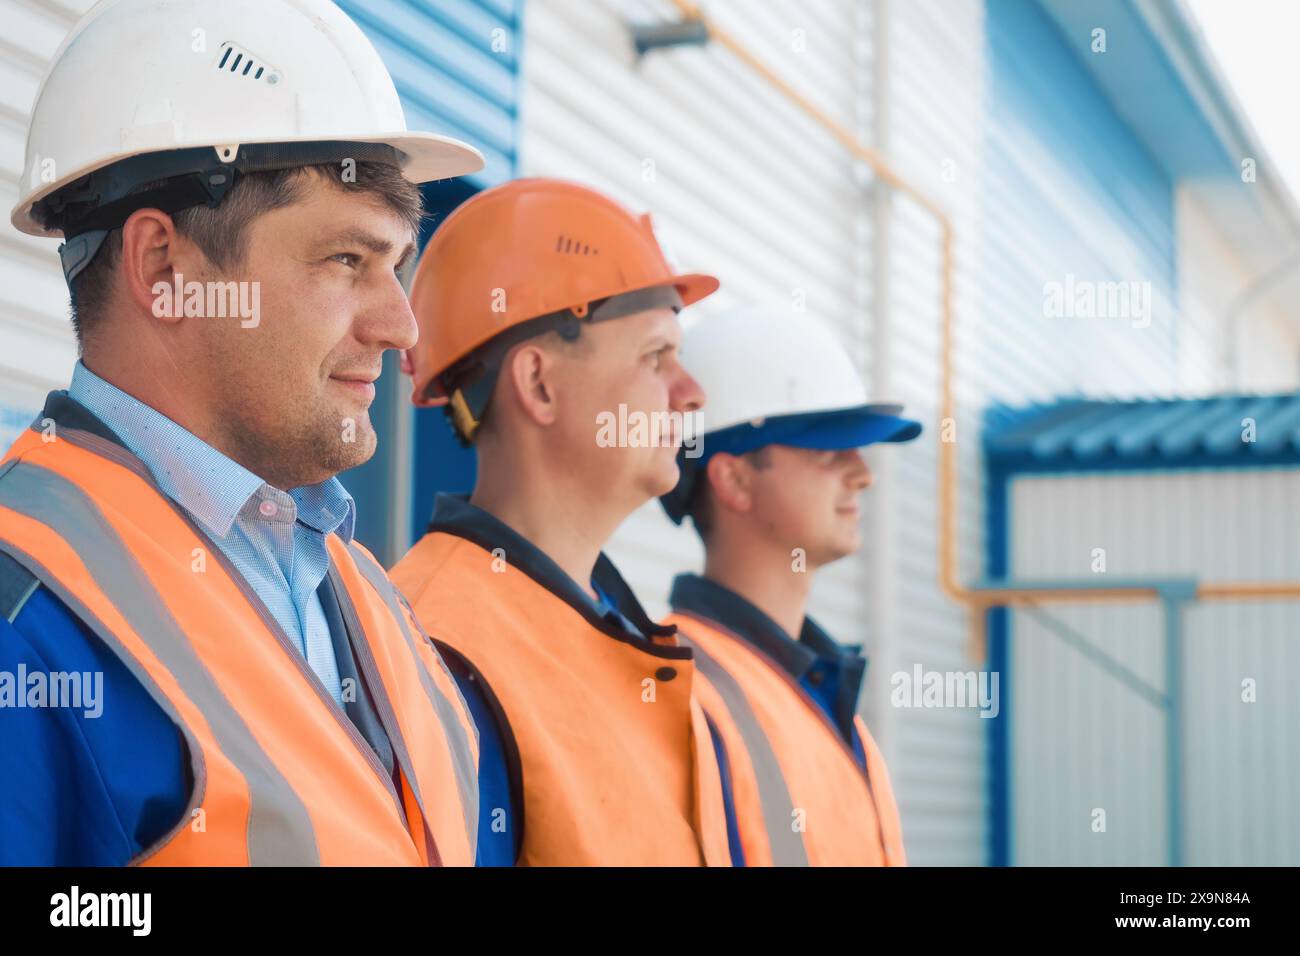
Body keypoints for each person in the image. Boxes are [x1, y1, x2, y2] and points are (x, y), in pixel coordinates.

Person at [0, 0, 484, 866]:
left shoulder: (367, 599)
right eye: (347, 261)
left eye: (397, 265)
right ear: (165, 267)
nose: (402, 326)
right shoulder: (22, 614)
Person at [392, 178, 737, 865]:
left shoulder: (611, 630)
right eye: (655, 356)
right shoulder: (437, 645)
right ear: (539, 384)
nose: (692, 393)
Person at [659, 304, 919, 865]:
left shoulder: (822, 693)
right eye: (829, 447)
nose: (863, 472)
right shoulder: (674, 689)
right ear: (732, 477)